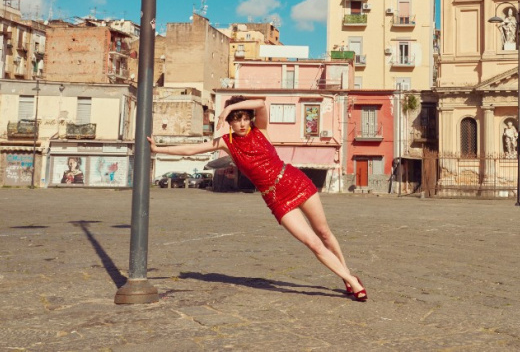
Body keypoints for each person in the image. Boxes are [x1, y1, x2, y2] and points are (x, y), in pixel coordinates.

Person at [147, 96, 368, 302]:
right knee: (312, 242)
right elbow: (192, 149)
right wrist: (159, 149)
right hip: (275, 198)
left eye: (244, 118)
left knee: (324, 233)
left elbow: (262, 104)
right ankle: (351, 281)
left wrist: (231, 106)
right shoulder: (227, 142)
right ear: (230, 124)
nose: (242, 124)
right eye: (236, 120)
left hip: (295, 181)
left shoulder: (260, 129)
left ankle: (346, 275)